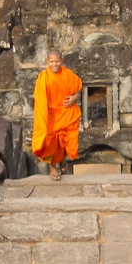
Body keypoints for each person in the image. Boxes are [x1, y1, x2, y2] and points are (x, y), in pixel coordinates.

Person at [32, 49, 82, 181]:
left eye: (57, 61)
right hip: (51, 116)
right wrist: (43, 118)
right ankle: (53, 167)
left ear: (62, 61)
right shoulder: (43, 78)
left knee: (66, 141)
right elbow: (40, 101)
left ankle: (63, 160)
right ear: (47, 61)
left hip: (65, 113)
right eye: (52, 62)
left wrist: (74, 98)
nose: (54, 64)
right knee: (50, 143)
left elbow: (77, 88)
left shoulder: (67, 74)